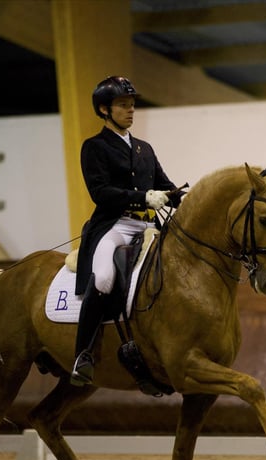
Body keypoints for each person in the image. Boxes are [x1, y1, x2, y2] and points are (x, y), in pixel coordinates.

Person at [71, 76, 184, 386]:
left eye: (132, 105)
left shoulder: (144, 148)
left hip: (148, 227)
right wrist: (141, 197)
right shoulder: (94, 147)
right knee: (105, 278)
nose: (131, 110)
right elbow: (100, 191)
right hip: (115, 226)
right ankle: (83, 355)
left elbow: (163, 184)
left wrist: (184, 197)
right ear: (105, 109)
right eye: (123, 105)